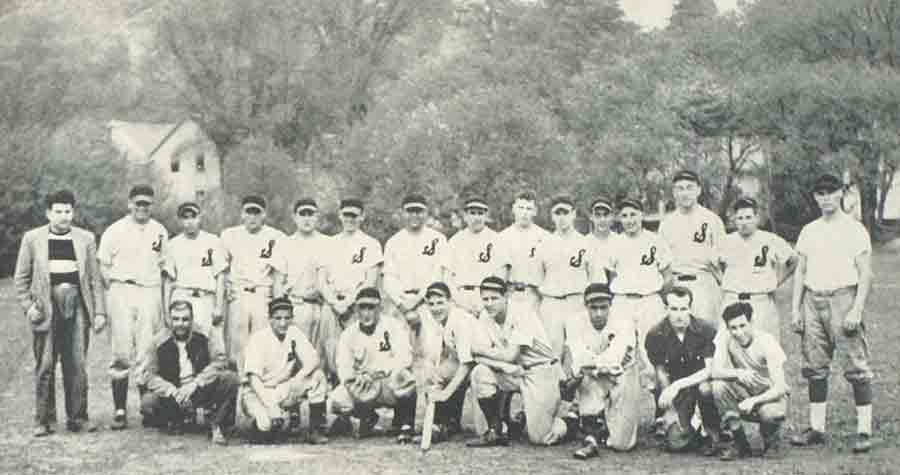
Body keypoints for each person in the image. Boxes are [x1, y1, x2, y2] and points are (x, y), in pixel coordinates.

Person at [790, 173, 875, 453]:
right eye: (820, 193)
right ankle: (817, 428)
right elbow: (800, 271)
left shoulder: (854, 229)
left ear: (841, 193)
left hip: (843, 298)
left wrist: (857, 308)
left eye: (830, 191)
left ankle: (863, 430)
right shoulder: (809, 230)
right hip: (813, 300)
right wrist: (795, 309)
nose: (825, 197)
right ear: (815, 197)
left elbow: (865, 274)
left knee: (856, 365)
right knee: (814, 367)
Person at [14, 190, 106, 436]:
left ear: (73, 212)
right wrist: (29, 307)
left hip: (76, 306)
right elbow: (21, 279)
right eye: (58, 211)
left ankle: (78, 417)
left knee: (76, 363)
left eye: (68, 211)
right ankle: (44, 420)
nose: (64, 216)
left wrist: (99, 313)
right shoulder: (32, 238)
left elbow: (95, 280)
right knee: (45, 364)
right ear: (48, 213)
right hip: (46, 307)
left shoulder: (85, 239)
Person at [467, 277, 568, 447]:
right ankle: (496, 430)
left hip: (540, 370)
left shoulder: (523, 313)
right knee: (480, 372)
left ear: (506, 296)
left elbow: (510, 355)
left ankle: (569, 420)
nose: (489, 303)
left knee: (541, 437)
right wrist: (502, 366)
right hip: (513, 371)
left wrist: (481, 351)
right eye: (485, 299)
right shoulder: (485, 316)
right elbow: (476, 357)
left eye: (494, 298)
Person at [98, 184, 168, 430]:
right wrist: (114, 289)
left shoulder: (159, 231)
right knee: (121, 351)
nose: (142, 208)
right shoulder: (115, 230)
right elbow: (103, 265)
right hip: (122, 290)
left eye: (146, 204)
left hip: (149, 291)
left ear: (152, 205)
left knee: (147, 350)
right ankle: (119, 409)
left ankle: (146, 407)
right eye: (138, 203)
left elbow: (164, 265)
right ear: (129, 204)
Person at [139, 300, 239, 445]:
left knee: (230, 378)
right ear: (169, 320)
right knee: (148, 402)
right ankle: (177, 418)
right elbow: (149, 374)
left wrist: (196, 383)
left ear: (192, 320)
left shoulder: (205, 334)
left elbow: (220, 361)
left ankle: (216, 422)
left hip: (200, 388)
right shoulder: (158, 341)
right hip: (175, 392)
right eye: (176, 319)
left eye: (185, 319)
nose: (180, 324)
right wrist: (171, 390)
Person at [562, 283, 641, 459]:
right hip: (592, 376)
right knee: (582, 377)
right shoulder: (574, 322)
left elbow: (614, 360)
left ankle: (605, 422)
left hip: (622, 376)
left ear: (610, 306)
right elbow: (579, 358)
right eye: (593, 308)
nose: (598, 313)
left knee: (622, 445)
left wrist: (592, 362)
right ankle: (590, 434)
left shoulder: (624, 322)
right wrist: (593, 364)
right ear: (585, 306)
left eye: (603, 308)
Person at [330, 288, 418, 443]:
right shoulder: (349, 334)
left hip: (386, 383)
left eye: (371, 307)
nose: (366, 313)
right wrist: (356, 379)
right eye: (362, 307)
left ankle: (405, 423)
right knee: (337, 400)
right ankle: (367, 416)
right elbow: (343, 367)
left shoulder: (393, 326)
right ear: (356, 309)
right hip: (364, 385)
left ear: (380, 308)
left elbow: (405, 357)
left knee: (405, 378)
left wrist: (377, 372)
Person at [240, 297, 330, 444]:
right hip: (257, 392)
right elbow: (253, 380)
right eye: (278, 318)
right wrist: (272, 406)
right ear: (269, 319)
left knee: (317, 377)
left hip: (282, 388)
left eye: (287, 318)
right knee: (266, 426)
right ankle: (259, 425)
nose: (283, 323)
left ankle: (316, 429)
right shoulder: (259, 338)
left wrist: (297, 379)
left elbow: (313, 360)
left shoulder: (293, 332)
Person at [647, 287, 722, 455]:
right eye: (674, 309)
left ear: (690, 308)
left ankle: (711, 429)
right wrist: (670, 406)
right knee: (675, 444)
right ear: (666, 309)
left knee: (706, 388)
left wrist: (678, 386)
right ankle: (688, 426)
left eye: (684, 308)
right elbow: (660, 370)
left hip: (700, 384)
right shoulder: (655, 334)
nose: (679, 314)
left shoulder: (706, 330)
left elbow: (709, 371)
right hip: (676, 392)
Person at [605, 198, 672, 384]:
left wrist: (661, 299)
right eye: (624, 216)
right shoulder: (614, 242)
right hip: (623, 301)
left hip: (649, 300)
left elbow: (667, 275)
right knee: (621, 351)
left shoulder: (655, 241)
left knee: (655, 353)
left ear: (641, 215)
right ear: (620, 219)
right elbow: (611, 276)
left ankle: (662, 406)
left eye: (633, 214)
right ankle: (622, 406)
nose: (629, 220)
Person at [711, 302, 789, 461]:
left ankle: (772, 440)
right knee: (718, 386)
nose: (739, 332)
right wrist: (738, 373)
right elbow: (715, 371)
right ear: (727, 328)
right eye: (733, 328)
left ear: (752, 322)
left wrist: (754, 401)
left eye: (742, 325)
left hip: (769, 395)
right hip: (744, 391)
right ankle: (740, 443)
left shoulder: (767, 341)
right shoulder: (725, 337)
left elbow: (780, 387)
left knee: (772, 413)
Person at [220, 195, 287, 372]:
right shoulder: (230, 235)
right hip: (238, 295)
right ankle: (239, 389)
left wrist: (278, 306)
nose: (252, 217)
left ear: (264, 215)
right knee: (237, 347)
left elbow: (278, 274)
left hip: (262, 295)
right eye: (248, 212)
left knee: (262, 344)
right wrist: (227, 286)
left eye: (256, 212)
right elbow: (222, 268)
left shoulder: (275, 236)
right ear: (242, 214)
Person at [319, 198, 384, 379]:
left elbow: (370, 281)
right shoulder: (328, 243)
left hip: (357, 306)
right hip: (331, 305)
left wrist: (348, 303)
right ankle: (332, 400)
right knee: (330, 353)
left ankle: (358, 400)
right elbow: (321, 280)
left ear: (362, 217)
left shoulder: (371, 244)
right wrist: (334, 302)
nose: (350, 219)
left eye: (354, 215)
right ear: (340, 215)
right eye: (346, 215)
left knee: (358, 352)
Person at [716, 197, 797, 341]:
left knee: (764, 346)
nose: (744, 222)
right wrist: (724, 280)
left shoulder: (770, 240)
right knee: (729, 347)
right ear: (734, 220)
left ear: (757, 218)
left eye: (748, 217)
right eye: (740, 218)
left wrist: (777, 281)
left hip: (760, 301)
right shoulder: (726, 241)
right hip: (733, 299)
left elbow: (793, 260)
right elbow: (715, 264)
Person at [659, 170, 726, 325]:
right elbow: (663, 264)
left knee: (707, 336)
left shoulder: (712, 220)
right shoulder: (667, 224)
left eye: (689, 187)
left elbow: (723, 258)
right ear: (674, 192)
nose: (685, 193)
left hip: (704, 283)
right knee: (678, 336)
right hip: (677, 284)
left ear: (698, 190)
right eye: (680, 188)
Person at [420, 282, 484, 442]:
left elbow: (466, 364)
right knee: (437, 373)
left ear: (450, 302)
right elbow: (445, 353)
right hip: (470, 362)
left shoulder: (459, 320)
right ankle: (442, 423)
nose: (436, 308)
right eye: (431, 304)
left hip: (486, 366)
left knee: (483, 429)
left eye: (440, 302)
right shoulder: (441, 321)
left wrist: (445, 394)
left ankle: (501, 422)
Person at [282, 198, 336, 378]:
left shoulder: (328, 243)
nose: (306, 219)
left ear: (317, 217)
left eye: (310, 214)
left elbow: (331, 278)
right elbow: (278, 280)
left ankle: (317, 400)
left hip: (321, 307)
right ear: (294, 217)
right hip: (296, 306)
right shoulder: (285, 243)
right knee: (296, 357)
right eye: (302, 214)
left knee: (321, 357)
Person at [163, 202, 227, 350]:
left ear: (200, 218)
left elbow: (220, 276)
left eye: (193, 217)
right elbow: (168, 280)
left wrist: (218, 306)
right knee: (181, 341)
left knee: (210, 341)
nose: (189, 222)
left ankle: (211, 373)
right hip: (182, 295)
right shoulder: (173, 244)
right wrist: (166, 311)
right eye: (185, 218)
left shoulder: (213, 241)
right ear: (180, 221)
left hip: (205, 297)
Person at [536, 196, 592, 358]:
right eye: (557, 213)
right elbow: (538, 279)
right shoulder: (544, 243)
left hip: (578, 302)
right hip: (551, 304)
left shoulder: (585, 243)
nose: (562, 217)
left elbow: (596, 279)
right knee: (552, 355)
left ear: (573, 214)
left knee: (579, 353)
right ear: (552, 216)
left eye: (565, 212)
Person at [382, 194, 447, 325]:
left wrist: (418, 299)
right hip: (400, 306)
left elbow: (438, 274)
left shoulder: (438, 239)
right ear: (402, 213)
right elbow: (389, 278)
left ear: (426, 213)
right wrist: (402, 304)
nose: (414, 215)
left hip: (429, 303)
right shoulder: (393, 242)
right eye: (410, 211)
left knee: (430, 344)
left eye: (419, 211)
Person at [496, 191, 551, 317]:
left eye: (529, 208)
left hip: (536, 296)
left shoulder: (545, 237)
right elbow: (500, 274)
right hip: (511, 294)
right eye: (520, 208)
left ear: (535, 211)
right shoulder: (502, 237)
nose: (524, 212)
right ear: (513, 209)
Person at [443, 196, 499, 315]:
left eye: (480, 213)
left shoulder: (496, 239)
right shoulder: (455, 241)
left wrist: (486, 301)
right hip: (460, 298)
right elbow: (447, 277)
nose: (476, 217)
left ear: (486, 216)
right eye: (472, 213)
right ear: (465, 216)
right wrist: (461, 302)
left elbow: (501, 275)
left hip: (487, 299)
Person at [586, 196, 619, 285]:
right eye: (597, 215)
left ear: (612, 216)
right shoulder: (584, 243)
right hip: (592, 294)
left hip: (617, 295)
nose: (602, 219)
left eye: (606, 215)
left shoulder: (620, 242)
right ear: (591, 217)